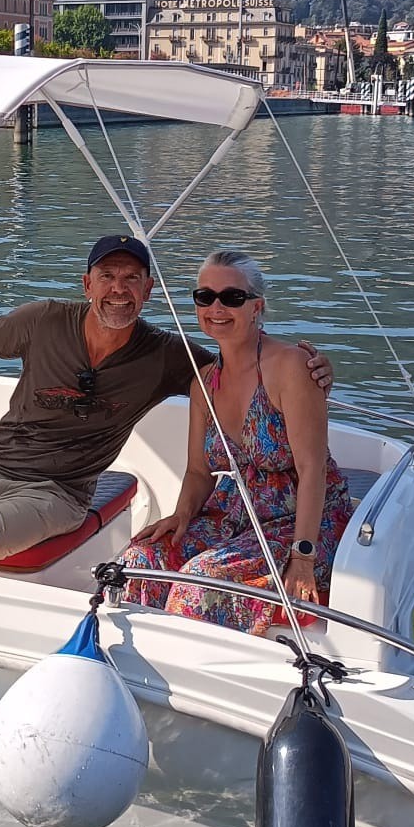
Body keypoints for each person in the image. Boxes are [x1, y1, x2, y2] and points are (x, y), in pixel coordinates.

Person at [0, 234, 333, 572]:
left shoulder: (167, 356)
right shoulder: (45, 320)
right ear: (88, 284)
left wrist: (318, 370)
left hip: (61, 489)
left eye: (132, 279)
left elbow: (243, 358)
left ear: (148, 291)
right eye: (108, 276)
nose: (118, 289)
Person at [120, 247, 354, 632]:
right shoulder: (203, 383)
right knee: (140, 560)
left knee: (196, 584)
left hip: (300, 521)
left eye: (232, 297)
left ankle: (192, 674)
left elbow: (312, 470)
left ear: (256, 306)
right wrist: (180, 515)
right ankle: (142, 666)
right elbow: (199, 471)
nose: (217, 307)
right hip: (235, 514)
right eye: (205, 296)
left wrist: (304, 557)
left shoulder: (290, 367)